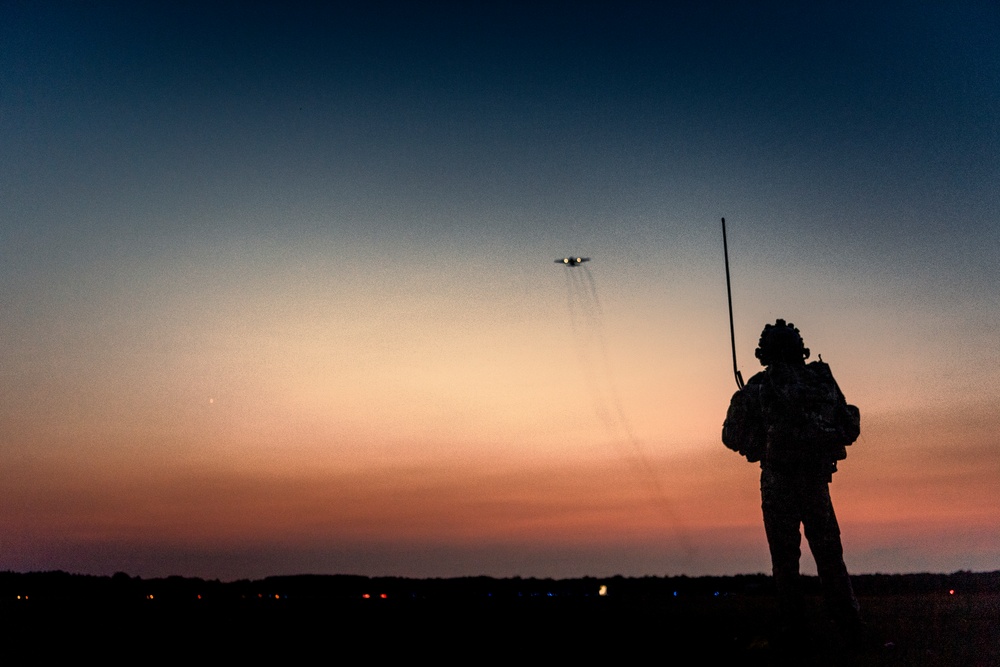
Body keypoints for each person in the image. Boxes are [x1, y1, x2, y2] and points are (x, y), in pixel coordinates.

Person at [723, 319, 865, 644]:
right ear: (800, 348)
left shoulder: (758, 387)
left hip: (778, 484)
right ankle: (849, 627)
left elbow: (731, 435)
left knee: (785, 563)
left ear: (765, 351)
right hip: (816, 482)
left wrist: (757, 441)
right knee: (830, 558)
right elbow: (848, 425)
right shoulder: (820, 381)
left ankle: (795, 631)